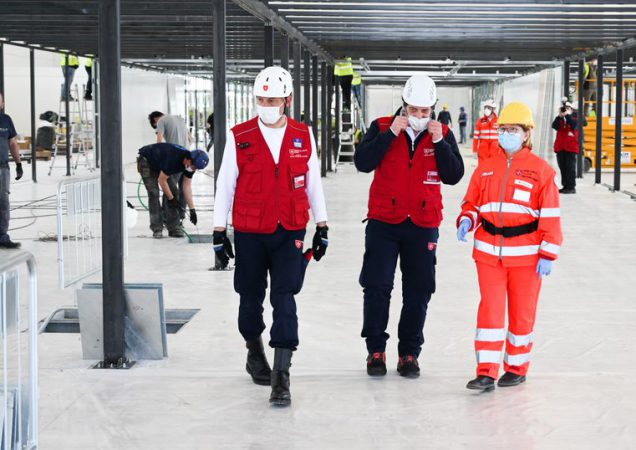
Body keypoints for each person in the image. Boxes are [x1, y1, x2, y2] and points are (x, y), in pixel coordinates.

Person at [212, 66, 329, 408]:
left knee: (285, 298)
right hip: (250, 232)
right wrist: (219, 232)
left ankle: (281, 377)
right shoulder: (240, 135)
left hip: (290, 230)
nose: (266, 104)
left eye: (273, 99)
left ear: (287, 100)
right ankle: (254, 352)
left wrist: (322, 226)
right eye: (261, 98)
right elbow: (225, 184)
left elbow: (313, 182)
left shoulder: (302, 135)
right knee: (250, 299)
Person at [355, 74, 464, 379]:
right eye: (413, 110)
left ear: (431, 110)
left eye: (424, 111)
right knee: (377, 286)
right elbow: (363, 162)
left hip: (423, 222)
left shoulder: (441, 132)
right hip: (383, 222)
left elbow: (454, 175)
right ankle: (375, 350)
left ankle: (409, 354)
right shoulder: (379, 127)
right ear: (403, 106)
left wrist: (441, 142)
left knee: (418, 290)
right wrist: (390, 133)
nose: (418, 117)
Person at [456, 102, 562, 391]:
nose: (507, 134)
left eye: (513, 130)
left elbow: (551, 215)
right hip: (488, 253)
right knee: (489, 311)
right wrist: (466, 220)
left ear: (526, 134)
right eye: (503, 129)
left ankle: (516, 368)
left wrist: (548, 252)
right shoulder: (486, 167)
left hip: (527, 257)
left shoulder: (541, 171)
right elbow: (472, 203)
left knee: (522, 313)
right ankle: (486, 372)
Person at [136, 144, 208, 238]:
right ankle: (157, 228)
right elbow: (162, 180)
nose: (193, 169)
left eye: (196, 168)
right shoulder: (174, 158)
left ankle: (173, 227)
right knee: (154, 193)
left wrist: (192, 209)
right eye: (194, 167)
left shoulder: (189, 165)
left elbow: (186, 186)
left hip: (160, 164)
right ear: (188, 159)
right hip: (147, 162)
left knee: (173, 191)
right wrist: (171, 198)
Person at [0, 93, 25, 249]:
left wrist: (18, 164)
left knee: (3, 203)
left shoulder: (6, 120)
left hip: (2, 168)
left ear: (2, 103)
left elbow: (13, 144)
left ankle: (2, 237)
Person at [552, 104, 579, 194]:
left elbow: (574, 125)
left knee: (570, 168)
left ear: (572, 110)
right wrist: (559, 116)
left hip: (570, 148)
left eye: (568, 109)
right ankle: (565, 186)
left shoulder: (575, 118)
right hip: (560, 148)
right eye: (564, 109)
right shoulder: (560, 120)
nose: (565, 110)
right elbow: (554, 126)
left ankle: (571, 187)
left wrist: (567, 115)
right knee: (563, 168)